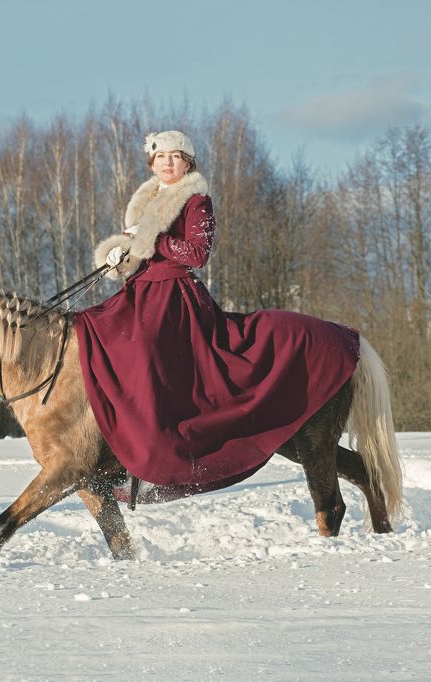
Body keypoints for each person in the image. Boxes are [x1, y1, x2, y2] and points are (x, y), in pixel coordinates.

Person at [74, 131, 360, 493]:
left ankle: (157, 456)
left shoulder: (197, 201)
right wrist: (120, 254)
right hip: (140, 291)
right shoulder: (145, 201)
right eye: (161, 157)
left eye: (176, 157)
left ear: (187, 163)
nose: (167, 163)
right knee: (97, 332)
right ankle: (112, 445)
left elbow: (197, 254)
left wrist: (152, 238)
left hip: (174, 295)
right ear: (152, 164)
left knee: (146, 351)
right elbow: (138, 251)